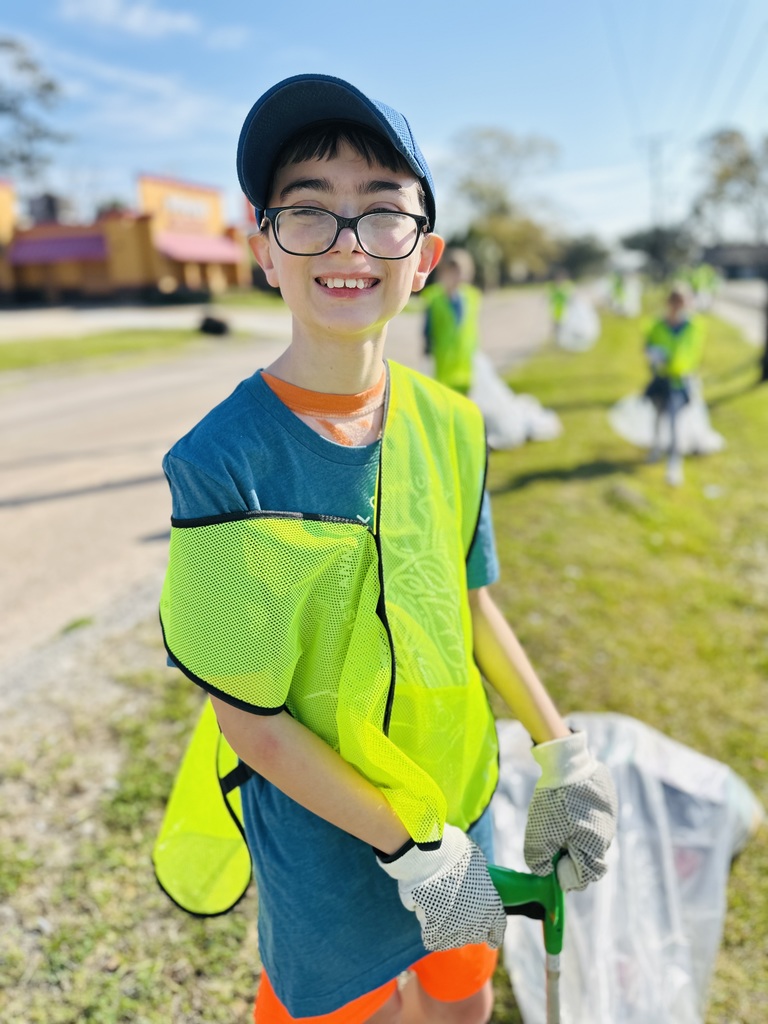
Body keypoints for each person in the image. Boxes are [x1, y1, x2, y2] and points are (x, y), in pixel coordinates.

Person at [157, 73, 618, 1024]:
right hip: (329, 839)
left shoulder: (452, 423)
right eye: (309, 213)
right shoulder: (220, 462)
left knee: (459, 998)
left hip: (455, 793)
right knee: (333, 1009)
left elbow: (471, 602)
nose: (346, 244)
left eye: (381, 214)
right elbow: (253, 724)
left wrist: (562, 752)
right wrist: (408, 848)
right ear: (264, 252)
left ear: (424, 257)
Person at [644, 285, 704, 485]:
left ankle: (674, 463)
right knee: (657, 415)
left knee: (675, 422)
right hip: (661, 379)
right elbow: (647, 345)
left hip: (680, 380)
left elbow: (694, 353)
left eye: (682, 302)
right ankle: (656, 448)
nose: (678, 306)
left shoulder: (693, 326)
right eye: (675, 301)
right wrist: (654, 354)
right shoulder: (657, 325)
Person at [422, 248, 481, 394]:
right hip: (444, 362)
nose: (456, 277)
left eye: (460, 272)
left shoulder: (472, 297)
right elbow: (427, 328)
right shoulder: (434, 298)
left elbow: (471, 327)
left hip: (465, 362)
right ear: (444, 272)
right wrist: (428, 346)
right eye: (452, 271)